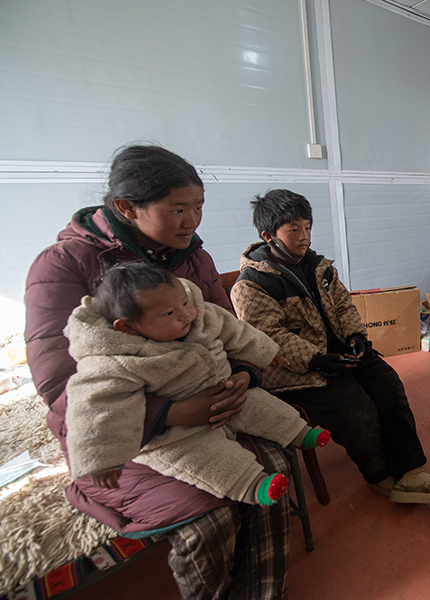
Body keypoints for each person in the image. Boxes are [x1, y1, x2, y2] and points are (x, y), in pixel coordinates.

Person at [25, 144, 293, 599]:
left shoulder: (192, 258)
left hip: (208, 406)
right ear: (127, 208)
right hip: (119, 433)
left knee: (272, 472)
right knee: (209, 513)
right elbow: (58, 384)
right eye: (178, 209)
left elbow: (227, 326)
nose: (192, 221)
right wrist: (169, 412)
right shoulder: (65, 265)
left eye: (198, 207)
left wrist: (245, 373)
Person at [230, 189, 430, 504]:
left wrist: (356, 337)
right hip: (296, 369)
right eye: (293, 230)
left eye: (307, 227)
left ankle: (411, 470)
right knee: (356, 409)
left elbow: (343, 306)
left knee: (388, 385)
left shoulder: (318, 267)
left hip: (339, 354)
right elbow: (270, 337)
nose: (304, 236)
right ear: (269, 236)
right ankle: (380, 478)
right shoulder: (252, 284)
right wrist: (318, 359)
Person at [65, 262, 331, 505]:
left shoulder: (201, 314)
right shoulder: (113, 360)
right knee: (207, 459)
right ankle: (253, 486)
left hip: (228, 392)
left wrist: (268, 353)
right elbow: (95, 409)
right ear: (127, 328)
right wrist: (101, 461)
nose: (186, 314)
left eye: (184, 302)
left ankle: (299, 433)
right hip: (178, 433)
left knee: (264, 405)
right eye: (170, 312)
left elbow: (237, 332)